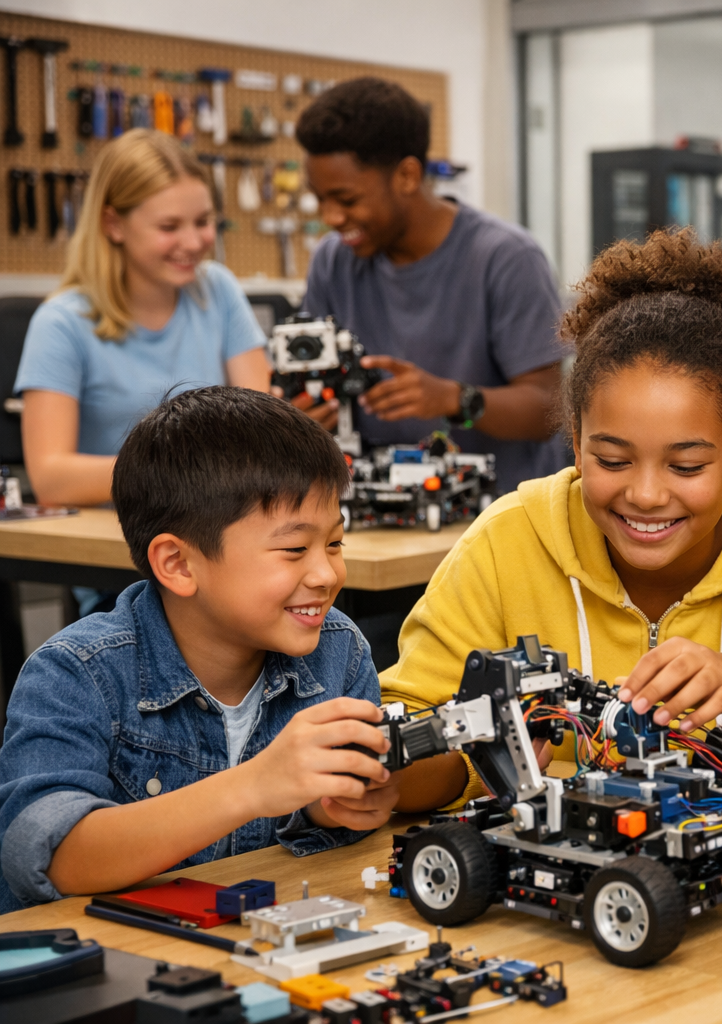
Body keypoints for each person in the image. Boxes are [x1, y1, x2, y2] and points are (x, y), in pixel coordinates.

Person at [380, 230, 722, 812]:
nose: (646, 494)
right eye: (611, 460)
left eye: (686, 465)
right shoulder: (506, 540)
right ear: (577, 441)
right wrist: (389, 778)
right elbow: (418, 717)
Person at [0, 388, 400, 912]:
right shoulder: (77, 674)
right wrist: (254, 786)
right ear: (179, 565)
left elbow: (324, 829)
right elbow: (53, 858)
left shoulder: (338, 650)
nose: (326, 574)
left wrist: (335, 807)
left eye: (335, 543)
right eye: (294, 549)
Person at [296, 77, 566, 494]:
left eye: (346, 200)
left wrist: (454, 399)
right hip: (376, 512)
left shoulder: (505, 258)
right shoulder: (332, 261)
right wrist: (304, 415)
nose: (330, 217)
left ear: (406, 176)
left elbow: (550, 408)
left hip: (495, 517)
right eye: (320, 199)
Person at [15, 129, 269, 510]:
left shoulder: (218, 288)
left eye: (203, 221)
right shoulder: (61, 323)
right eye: (169, 227)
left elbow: (259, 420)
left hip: (213, 530)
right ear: (113, 224)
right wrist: (184, 470)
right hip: (109, 542)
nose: (194, 242)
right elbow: (51, 479)